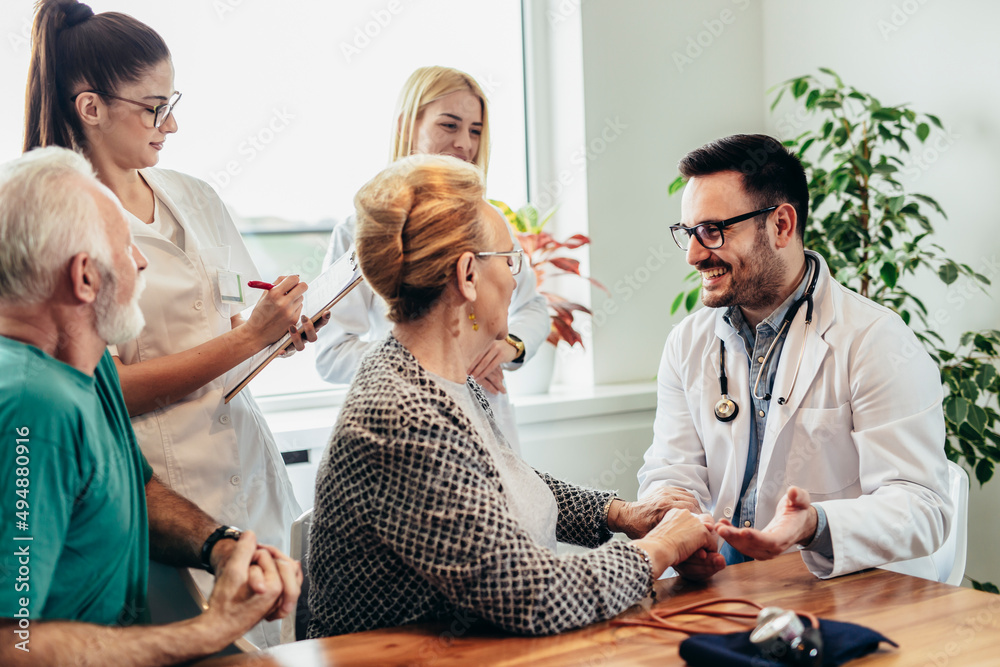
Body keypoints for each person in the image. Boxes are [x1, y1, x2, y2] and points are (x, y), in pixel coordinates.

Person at [306, 154, 723, 638]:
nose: (517, 276)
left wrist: (621, 515)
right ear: (467, 276)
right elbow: (534, 597)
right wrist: (662, 547)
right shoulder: (399, 414)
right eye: (510, 259)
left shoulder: (442, 376)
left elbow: (502, 477)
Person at [22, 1, 319, 645]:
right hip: (164, 487)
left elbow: (230, 323)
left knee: (282, 644)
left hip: (244, 469)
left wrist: (274, 336)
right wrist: (247, 338)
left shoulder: (196, 197)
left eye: (172, 101)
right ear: (91, 107)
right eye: (153, 107)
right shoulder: (63, 227)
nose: (172, 123)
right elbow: (103, 389)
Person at [0, 146, 301, 666]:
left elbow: (132, 488)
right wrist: (206, 632)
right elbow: (12, 643)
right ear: (85, 278)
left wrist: (221, 545)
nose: (140, 260)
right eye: (125, 246)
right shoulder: (34, 405)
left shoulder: (83, 372)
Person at [637, 133, 953, 580]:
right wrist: (676, 519)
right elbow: (672, 469)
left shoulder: (875, 340)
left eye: (712, 231)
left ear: (782, 225)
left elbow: (923, 508)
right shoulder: (688, 342)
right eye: (688, 233)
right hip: (722, 588)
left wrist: (815, 525)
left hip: (842, 590)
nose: (692, 255)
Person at [314, 66, 549, 452]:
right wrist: (442, 360)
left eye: (475, 130)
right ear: (409, 125)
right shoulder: (361, 229)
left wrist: (511, 347)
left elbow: (532, 306)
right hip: (412, 426)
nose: (464, 144)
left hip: (489, 425)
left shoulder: (489, 222)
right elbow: (332, 354)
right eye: (450, 125)